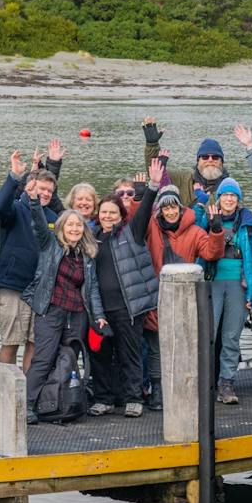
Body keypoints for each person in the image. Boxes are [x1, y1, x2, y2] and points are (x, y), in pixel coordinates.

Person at [88, 157, 165, 417]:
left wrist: (153, 185)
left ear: (121, 215)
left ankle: (133, 398)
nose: (108, 216)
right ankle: (104, 397)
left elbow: (143, 212)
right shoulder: (93, 238)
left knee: (129, 354)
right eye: (104, 212)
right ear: (98, 214)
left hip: (128, 306)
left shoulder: (130, 233)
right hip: (100, 308)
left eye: (113, 212)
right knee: (101, 355)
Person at [144, 184, 227, 407]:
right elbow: (135, 218)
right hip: (155, 295)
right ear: (159, 210)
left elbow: (212, 253)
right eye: (165, 208)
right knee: (156, 348)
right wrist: (142, 193)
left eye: (174, 207)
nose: (170, 212)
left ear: (180, 208)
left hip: (183, 299)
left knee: (183, 346)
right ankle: (158, 392)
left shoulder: (194, 231)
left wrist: (217, 231)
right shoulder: (151, 226)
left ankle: (183, 390)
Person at [25, 207, 106, 423]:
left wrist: (98, 315)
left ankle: (60, 402)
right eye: (70, 224)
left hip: (77, 313)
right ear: (61, 227)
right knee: (43, 358)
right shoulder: (50, 244)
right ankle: (26, 403)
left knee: (69, 359)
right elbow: (39, 225)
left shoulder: (88, 255)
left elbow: (93, 288)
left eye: (78, 225)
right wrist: (34, 201)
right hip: (51, 310)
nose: (74, 228)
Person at [189, 177, 252, 404]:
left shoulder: (248, 224)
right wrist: (201, 206)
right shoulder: (208, 218)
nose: (229, 199)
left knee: (231, 337)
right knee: (207, 335)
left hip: (237, 285)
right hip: (211, 283)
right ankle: (204, 383)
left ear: (238, 199)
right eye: (225, 195)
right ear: (219, 198)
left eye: (233, 195)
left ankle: (227, 383)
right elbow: (192, 228)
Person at [0, 146, 63, 372]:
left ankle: (29, 394)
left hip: (42, 290)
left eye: (50, 192)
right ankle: (6, 393)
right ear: (30, 186)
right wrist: (14, 177)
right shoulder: (14, 209)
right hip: (13, 286)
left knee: (35, 343)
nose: (46, 194)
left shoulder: (53, 218)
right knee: (11, 342)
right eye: (42, 189)